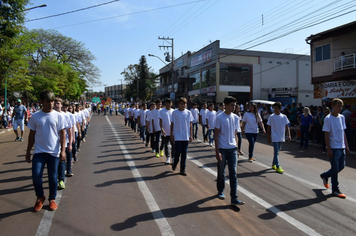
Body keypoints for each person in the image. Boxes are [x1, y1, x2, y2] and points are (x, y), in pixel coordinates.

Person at [26, 90, 66, 212]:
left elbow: (62, 134)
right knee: (36, 176)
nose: (51, 104)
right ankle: (40, 197)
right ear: (42, 102)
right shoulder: (35, 116)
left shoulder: (58, 116)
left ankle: (52, 199)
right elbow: (31, 136)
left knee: (53, 177)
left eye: (52, 101)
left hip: (53, 152)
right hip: (39, 152)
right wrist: (28, 151)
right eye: (48, 101)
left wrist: (63, 151)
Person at [215, 96, 245, 205]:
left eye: (235, 105)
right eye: (231, 105)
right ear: (226, 105)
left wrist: (236, 147)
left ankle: (234, 198)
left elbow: (236, 134)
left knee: (233, 173)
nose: (234, 107)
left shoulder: (236, 118)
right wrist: (217, 151)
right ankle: (220, 191)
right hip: (222, 149)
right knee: (221, 172)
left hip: (232, 149)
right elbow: (216, 135)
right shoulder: (219, 117)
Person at [320, 98, 349, 198]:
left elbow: (343, 132)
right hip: (334, 147)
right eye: (338, 106)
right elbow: (326, 134)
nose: (340, 108)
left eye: (341, 106)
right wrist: (328, 148)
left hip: (341, 146)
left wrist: (346, 145)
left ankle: (325, 175)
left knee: (341, 166)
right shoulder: (328, 118)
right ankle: (335, 189)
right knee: (335, 168)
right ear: (333, 107)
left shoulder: (342, 117)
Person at [170, 97, 193, 176]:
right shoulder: (175, 113)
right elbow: (172, 124)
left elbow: (190, 124)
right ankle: (175, 163)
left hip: (185, 136)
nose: (183, 105)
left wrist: (191, 135)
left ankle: (182, 169)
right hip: (177, 135)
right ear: (179, 104)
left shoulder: (189, 112)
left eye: (185, 104)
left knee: (184, 153)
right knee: (178, 151)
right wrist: (172, 134)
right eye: (182, 104)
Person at [267, 102, 291, 174]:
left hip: (281, 136)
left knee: (277, 151)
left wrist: (289, 135)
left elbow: (287, 127)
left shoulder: (284, 117)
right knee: (276, 151)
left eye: (277, 108)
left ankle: (273, 164)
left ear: (280, 109)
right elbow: (269, 127)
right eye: (274, 108)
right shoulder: (271, 116)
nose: (275, 110)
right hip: (274, 136)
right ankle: (278, 166)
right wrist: (269, 136)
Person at [54, 98, 72, 190]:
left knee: (61, 161)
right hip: (52, 144)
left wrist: (70, 143)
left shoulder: (65, 116)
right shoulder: (51, 115)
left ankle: (61, 179)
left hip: (63, 142)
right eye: (55, 103)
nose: (57, 105)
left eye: (58, 103)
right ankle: (56, 178)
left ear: (61, 105)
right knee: (54, 163)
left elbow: (69, 130)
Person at [159, 99, 174, 164]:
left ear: (171, 104)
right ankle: (168, 157)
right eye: (167, 103)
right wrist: (162, 129)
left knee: (173, 146)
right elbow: (160, 121)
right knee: (166, 145)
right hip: (165, 132)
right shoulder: (162, 111)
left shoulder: (174, 111)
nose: (168, 104)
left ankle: (173, 158)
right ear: (165, 104)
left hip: (173, 132)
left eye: (169, 103)